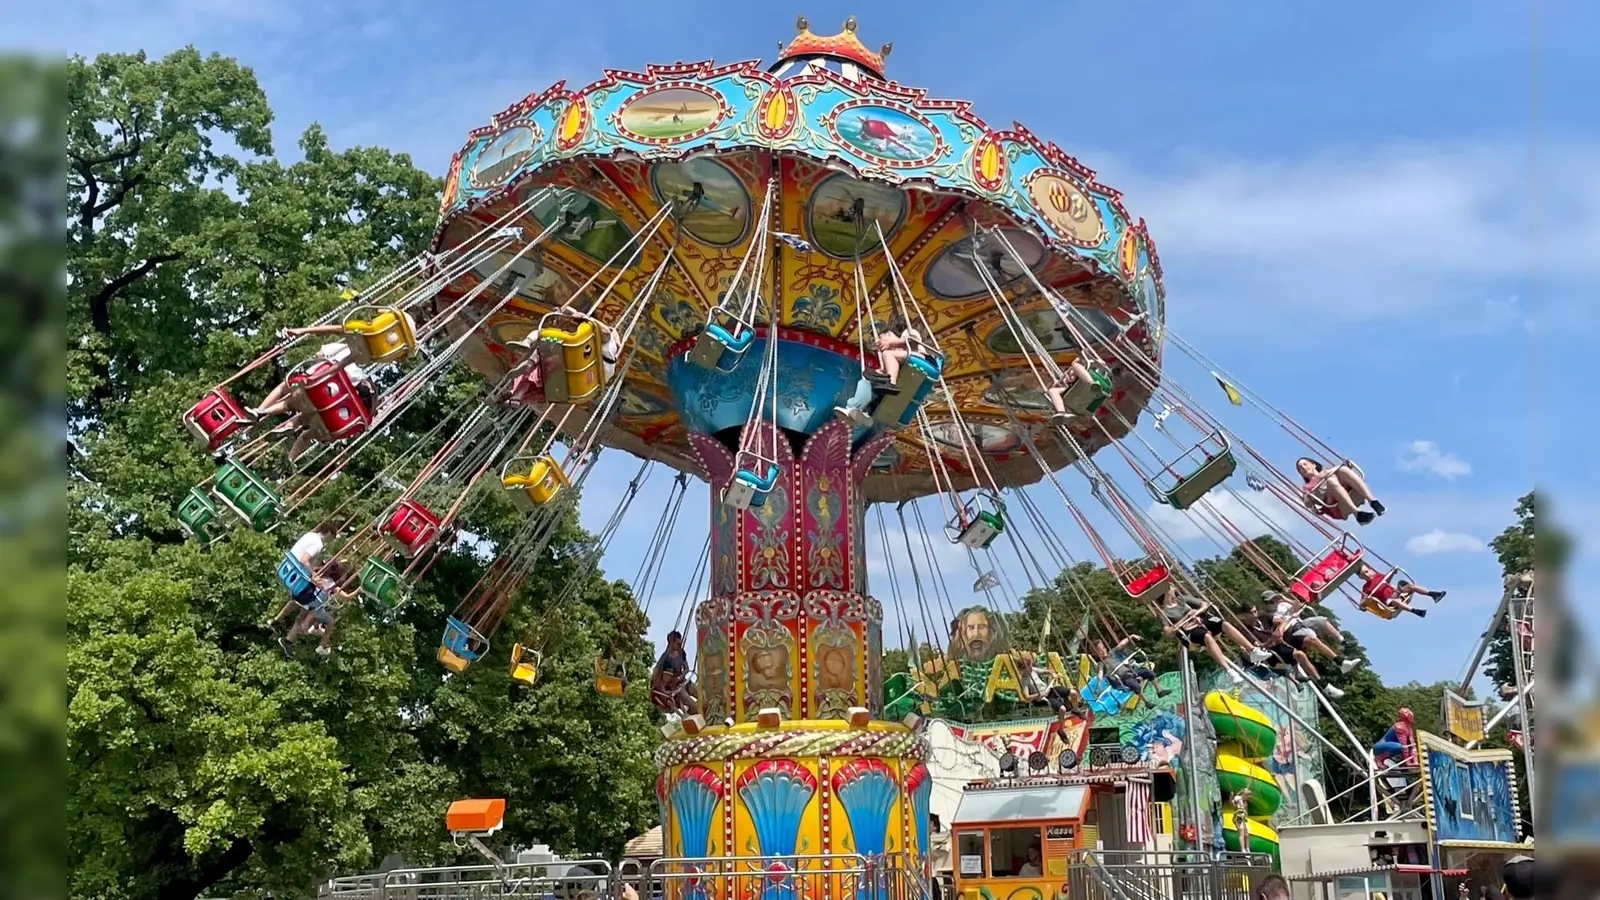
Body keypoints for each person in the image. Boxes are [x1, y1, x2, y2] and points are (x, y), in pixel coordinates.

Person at [282, 559, 357, 658]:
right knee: (330, 622)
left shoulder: (320, 575)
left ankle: (289, 640)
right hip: (315, 604)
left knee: (302, 618)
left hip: (307, 598)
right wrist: (359, 590)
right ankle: (322, 644)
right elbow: (347, 597)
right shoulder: (333, 585)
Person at [1270, 595, 1359, 673]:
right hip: (1290, 629)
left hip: (1299, 622)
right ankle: (1341, 662)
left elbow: (1299, 606)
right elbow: (1277, 622)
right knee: (1312, 639)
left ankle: (1343, 641)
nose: (1276, 601)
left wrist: (1285, 598)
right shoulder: (1273, 613)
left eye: (1276, 599)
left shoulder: (1284, 605)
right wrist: (1289, 618)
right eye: (1273, 600)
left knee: (1321, 620)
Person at [1297, 457, 1385, 525]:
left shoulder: (1328, 471)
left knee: (1343, 470)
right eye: (1300, 468)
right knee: (1331, 481)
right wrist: (1307, 496)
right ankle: (1357, 514)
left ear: (1313, 465)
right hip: (1337, 506)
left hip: (1352, 493)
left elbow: (1339, 469)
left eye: (1305, 464)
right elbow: (1308, 504)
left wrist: (1329, 472)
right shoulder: (1307, 487)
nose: (1304, 467)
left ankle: (1373, 501)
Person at [1090, 636, 1169, 705]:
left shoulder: (1112, 653)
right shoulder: (1101, 664)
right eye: (1100, 650)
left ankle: (1159, 691)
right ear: (1096, 653)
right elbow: (1100, 673)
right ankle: (1146, 702)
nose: (1103, 651)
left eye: (1103, 648)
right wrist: (1099, 680)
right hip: (1123, 678)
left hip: (1132, 670)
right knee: (1136, 686)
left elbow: (1121, 644)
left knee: (1149, 673)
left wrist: (1131, 637)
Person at [1358, 564, 1445, 616]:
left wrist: (1393, 573)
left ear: (1369, 570)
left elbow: (1387, 580)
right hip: (1389, 601)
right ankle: (1416, 611)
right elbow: (1362, 601)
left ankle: (1433, 594)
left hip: (1396, 592)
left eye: (1367, 572)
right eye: (1363, 575)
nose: (1367, 575)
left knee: (1411, 586)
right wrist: (1364, 603)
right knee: (1396, 602)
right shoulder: (1366, 588)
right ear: (1361, 578)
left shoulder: (1378, 576)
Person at [867, 315, 926, 391]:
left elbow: (913, 341)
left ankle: (891, 383)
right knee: (879, 369)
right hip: (910, 360)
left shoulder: (908, 332)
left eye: (886, 336)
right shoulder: (895, 352)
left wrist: (891, 343)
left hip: (920, 357)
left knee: (888, 354)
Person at [650, 630, 700, 716]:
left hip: (683, 682)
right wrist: (663, 691)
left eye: (680, 644)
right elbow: (656, 675)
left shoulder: (682, 653)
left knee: (702, 694)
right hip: (675, 689)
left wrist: (681, 676)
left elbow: (686, 668)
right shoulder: (665, 658)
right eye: (677, 644)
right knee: (695, 706)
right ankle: (691, 714)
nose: (679, 646)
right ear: (671, 642)